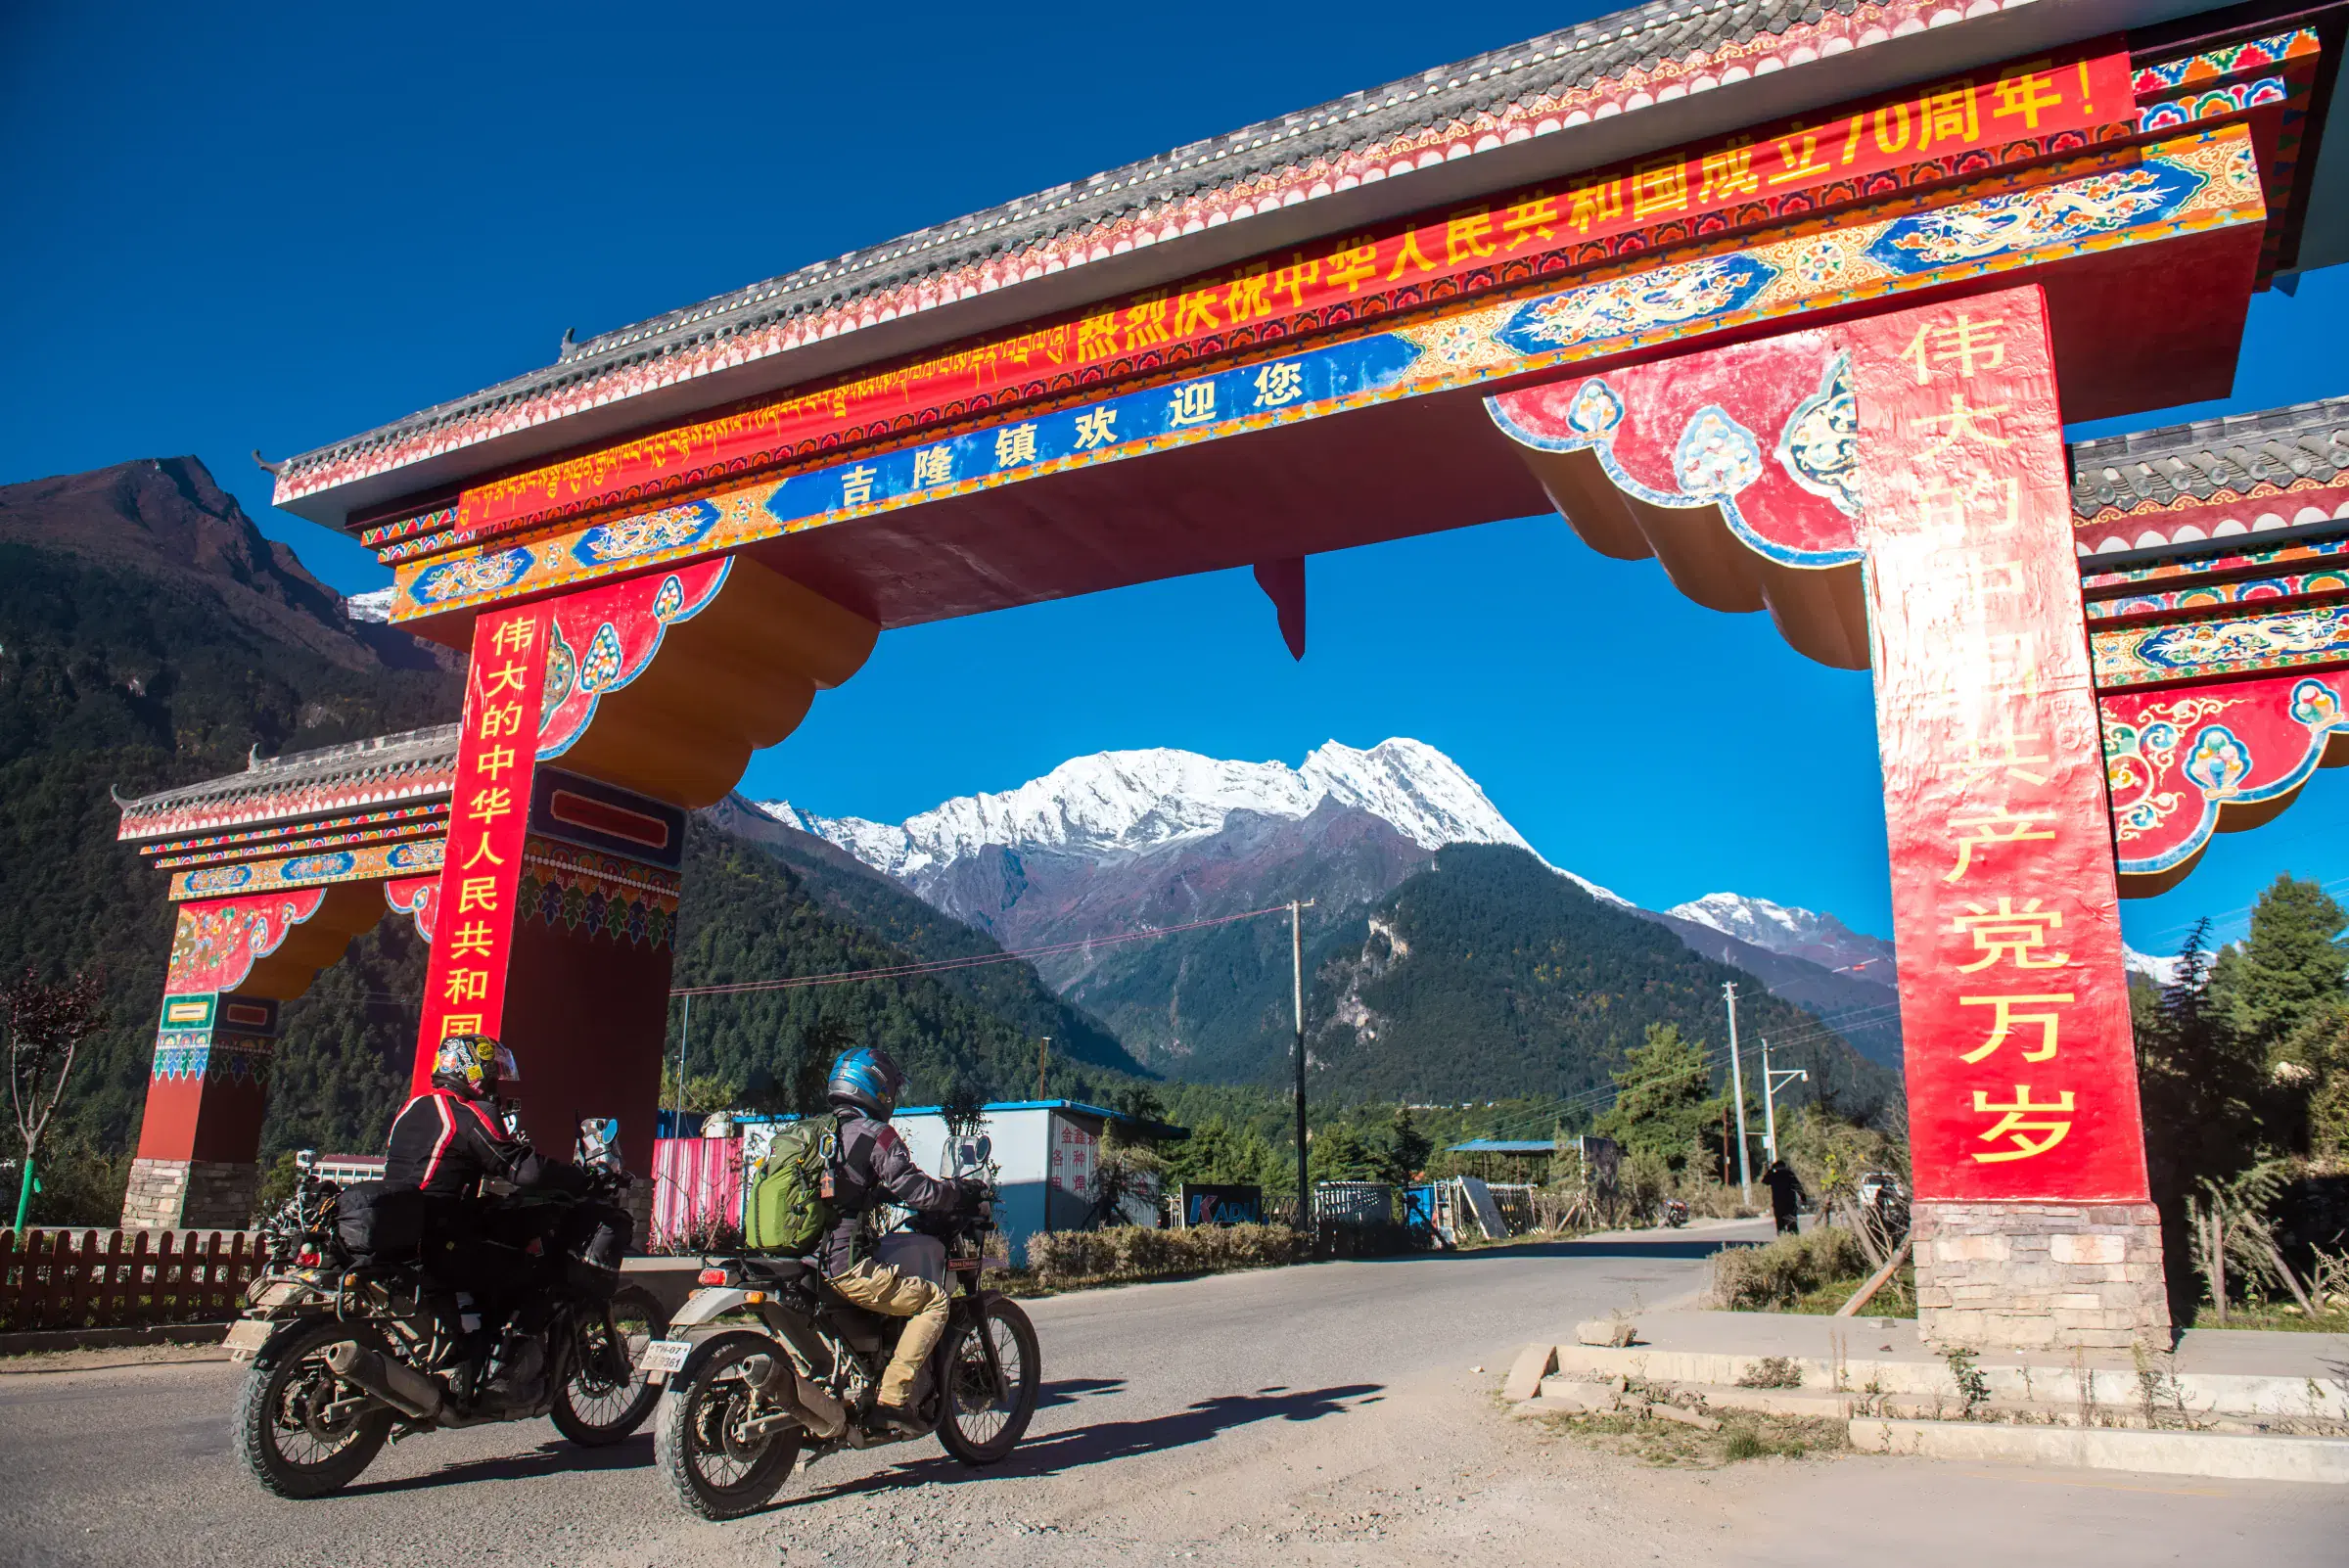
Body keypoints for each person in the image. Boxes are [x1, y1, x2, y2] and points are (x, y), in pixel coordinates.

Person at [382, 1035, 631, 1405]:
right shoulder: (466, 1115)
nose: (492, 1084)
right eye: (489, 1075)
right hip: (441, 1234)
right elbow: (522, 1168)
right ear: (471, 1072)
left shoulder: (413, 1108)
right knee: (537, 1269)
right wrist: (582, 1177)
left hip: (406, 1228)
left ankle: (475, 1353)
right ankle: (505, 1374)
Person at [819, 1044, 982, 1429]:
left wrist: (879, 1193)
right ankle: (892, 1400)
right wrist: (958, 1193)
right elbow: (919, 1191)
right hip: (842, 1265)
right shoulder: (874, 1134)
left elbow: (844, 1191)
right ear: (877, 1088)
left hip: (804, 1262)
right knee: (935, 1303)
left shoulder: (821, 1134)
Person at [1763, 1158, 1804, 1236]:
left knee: (1780, 1225)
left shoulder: (1774, 1175)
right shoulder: (1789, 1174)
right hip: (1790, 1202)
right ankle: (1794, 1240)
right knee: (1792, 1223)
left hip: (1779, 1203)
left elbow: (1765, 1181)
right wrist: (1802, 1196)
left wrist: (1770, 1171)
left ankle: (1783, 1240)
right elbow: (1797, 1186)